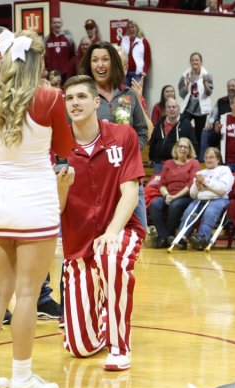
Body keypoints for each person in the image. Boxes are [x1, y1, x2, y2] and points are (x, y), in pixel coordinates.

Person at [0, 29, 75, 388]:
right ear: (38, 62)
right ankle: (22, 377)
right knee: (28, 293)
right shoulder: (49, 97)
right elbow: (65, 147)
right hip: (35, 201)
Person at [0, 26, 63, 321]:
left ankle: (41, 297)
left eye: (7, 44)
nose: (3, 51)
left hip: (34, 169)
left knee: (36, 235)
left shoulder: (35, 85)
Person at [57, 75, 144, 371]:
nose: (75, 103)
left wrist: (111, 232)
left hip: (121, 229)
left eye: (81, 97)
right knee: (79, 349)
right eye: (69, 98)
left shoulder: (123, 135)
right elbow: (56, 208)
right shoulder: (56, 147)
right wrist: (63, 186)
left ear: (96, 102)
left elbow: (130, 193)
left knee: (111, 255)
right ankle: (104, 316)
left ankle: (120, 347)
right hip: (78, 245)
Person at [80, 40, 149, 230]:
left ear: (114, 64)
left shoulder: (129, 95)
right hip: (97, 182)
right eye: (95, 60)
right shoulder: (83, 96)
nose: (100, 64)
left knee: (137, 236)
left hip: (130, 177)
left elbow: (143, 132)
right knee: (99, 239)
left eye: (105, 59)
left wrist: (131, 152)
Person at [178, 147, 234, 250]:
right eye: (206, 157)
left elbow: (222, 190)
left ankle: (202, 238)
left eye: (211, 157)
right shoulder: (201, 173)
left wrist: (206, 182)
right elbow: (192, 194)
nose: (208, 160)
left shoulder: (224, 170)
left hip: (218, 199)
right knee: (188, 213)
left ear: (218, 159)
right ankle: (182, 238)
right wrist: (196, 187)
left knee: (210, 212)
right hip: (200, 199)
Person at [149, 138, 200, 248]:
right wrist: (167, 195)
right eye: (180, 146)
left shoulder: (194, 163)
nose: (182, 149)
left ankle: (168, 235)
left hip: (185, 196)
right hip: (169, 194)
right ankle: (164, 236)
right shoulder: (168, 163)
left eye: (185, 147)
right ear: (176, 148)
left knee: (174, 205)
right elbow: (161, 183)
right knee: (155, 204)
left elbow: (190, 184)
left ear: (189, 149)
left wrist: (174, 197)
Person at [149, 97, 196, 173]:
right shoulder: (160, 123)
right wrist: (152, 157)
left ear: (178, 109)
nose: (171, 109)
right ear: (166, 110)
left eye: (174, 107)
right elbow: (153, 141)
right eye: (169, 107)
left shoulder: (186, 124)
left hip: (178, 162)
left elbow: (193, 143)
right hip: (160, 163)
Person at [201, 79, 235, 161]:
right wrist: (210, 123)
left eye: (233, 86)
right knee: (205, 132)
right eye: (229, 86)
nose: (230, 88)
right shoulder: (221, 101)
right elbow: (214, 115)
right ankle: (203, 160)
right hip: (221, 126)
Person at [178, 52, 214, 144]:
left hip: (200, 109)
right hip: (188, 108)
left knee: (199, 134)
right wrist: (186, 86)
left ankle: (197, 155)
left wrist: (205, 84)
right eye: (193, 60)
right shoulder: (184, 75)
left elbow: (209, 93)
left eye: (197, 60)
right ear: (190, 62)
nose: (195, 62)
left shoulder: (207, 75)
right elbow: (181, 94)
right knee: (182, 128)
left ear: (201, 62)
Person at [120, 20, 151, 87]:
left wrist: (145, 70)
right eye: (129, 27)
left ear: (137, 28)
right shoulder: (123, 40)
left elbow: (147, 58)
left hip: (138, 73)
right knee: (126, 94)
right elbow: (119, 55)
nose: (131, 29)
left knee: (137, 94)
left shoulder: (143, 41)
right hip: (125, 72)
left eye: (133, 27)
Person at [44, 17, 76, 81]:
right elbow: (44, 56)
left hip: (65, 72)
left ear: (61, 24)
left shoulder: (69, 39)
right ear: (51, 25)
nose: (56, 24)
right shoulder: (46, 39)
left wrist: (70, 68)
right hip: (52, 72)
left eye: (58, 22)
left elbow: (73, 55)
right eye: (54, 23)